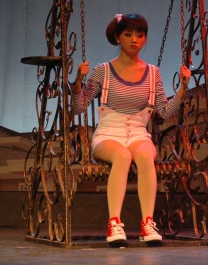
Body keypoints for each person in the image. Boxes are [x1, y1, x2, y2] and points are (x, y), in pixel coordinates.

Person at [72, 13, 191, 246]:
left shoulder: (153, 73)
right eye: (128, 34)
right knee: (122, 155)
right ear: (118, 37)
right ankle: (114, 223)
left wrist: (182, 89)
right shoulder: (103, 70)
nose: (134, 40)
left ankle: (148, 223)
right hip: (108, 134)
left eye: (140, 35)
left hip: (138, 132)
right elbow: (78, 107)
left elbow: (165, 112)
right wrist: (78, 81)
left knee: (146, 155)